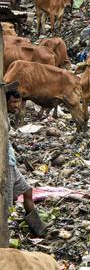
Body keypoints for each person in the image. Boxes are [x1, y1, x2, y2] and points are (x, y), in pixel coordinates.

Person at [4, 86, 46, 237]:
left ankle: (38, 228)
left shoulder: (5, 117)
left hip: (11, 162)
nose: (17, 105)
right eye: (13, 102)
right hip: (5, 165)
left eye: (18, 101)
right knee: (6, 206)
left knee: (27, 191)